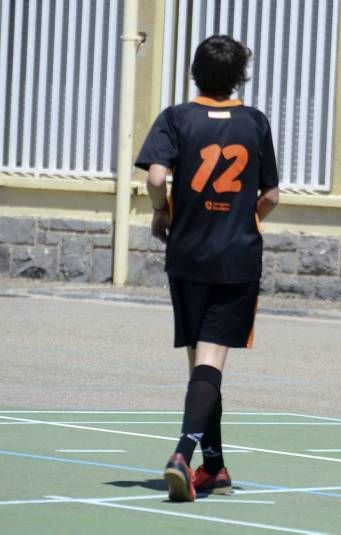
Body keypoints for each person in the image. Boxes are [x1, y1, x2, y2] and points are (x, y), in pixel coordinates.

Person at [134, 35, 280, 502]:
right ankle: (182, 454)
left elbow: (157, 177)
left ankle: (213, 467)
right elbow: (272, 195)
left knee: (200, 362)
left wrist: (162, 211)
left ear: (195, 72)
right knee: (211, 362)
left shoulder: (177, 117)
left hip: (188, 252)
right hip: (235, 255)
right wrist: (247, 213)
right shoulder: (254, 123)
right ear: (240, 76)